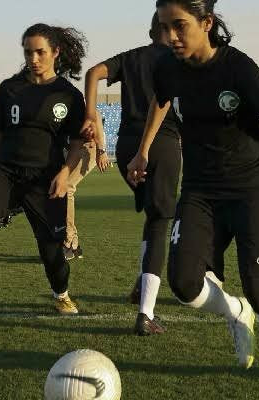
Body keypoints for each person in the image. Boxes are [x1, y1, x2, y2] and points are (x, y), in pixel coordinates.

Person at [127, 0, 259, 391]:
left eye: (179, 26)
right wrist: (144, 149)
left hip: (251, 190)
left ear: (207, 23)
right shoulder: (167, 67)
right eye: (165, 28)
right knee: (183, 285)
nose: (171, 37)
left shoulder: (237, 67)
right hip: (200, 191)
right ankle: (235, 312)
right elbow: (160, 101)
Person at [0, 23, 91, 326]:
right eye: (28, 52)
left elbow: (77, 143)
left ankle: (61, 294)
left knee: (53, 253)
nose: (33, 58)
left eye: (40, 52)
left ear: (55, 52)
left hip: (46, 181)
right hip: (5, 175)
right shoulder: (9, 88)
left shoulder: (68, 95)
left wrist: (64, 173)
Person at [82, 12, 183, 335]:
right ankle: (146, 314)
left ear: (150, 30)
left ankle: (142, 285)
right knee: (159, 221)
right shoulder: (179, 59)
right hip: (161, 142)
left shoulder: (131, 57)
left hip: (126, 145)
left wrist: (90, 112)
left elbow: (93, 72)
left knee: (152, 216)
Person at [62, 110, 109, 261]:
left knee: (66, 187)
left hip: (89, 146)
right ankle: (74, 245)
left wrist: (101, 150)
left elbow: (95, 115)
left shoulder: (68, 94)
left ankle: (68, 243)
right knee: (59, 187)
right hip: (73, 147)